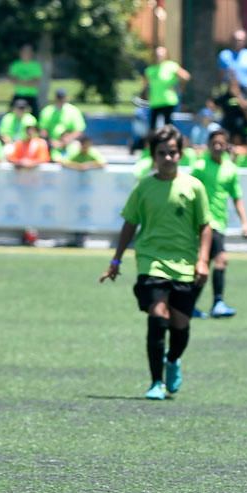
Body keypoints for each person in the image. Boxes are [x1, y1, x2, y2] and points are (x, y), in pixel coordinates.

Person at [99, 125, 212, 400]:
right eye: (162, 153)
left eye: (172, 152)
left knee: (181, 326)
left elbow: (205, 226)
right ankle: (155, 382)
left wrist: (203, 260)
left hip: (185, 264)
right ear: (153, 156)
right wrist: (116, 259)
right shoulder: (144, 187)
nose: (168, 158)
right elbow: (130, 223)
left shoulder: (194, 187)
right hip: (151, 261)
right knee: (158, 314)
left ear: (180, 154)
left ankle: (173, 360)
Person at [190, 128, 247, 319]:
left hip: (220, 223)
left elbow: (236, 197)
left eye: (221, 143)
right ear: (208, 146)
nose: (217, 146)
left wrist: (245, 222)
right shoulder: (200, 167)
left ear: (227, 145)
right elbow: (188, 192)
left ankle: (189, 304)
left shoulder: (230, 169)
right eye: (214, 143)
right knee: (221, 259)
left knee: (203, 266)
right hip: (204, 223)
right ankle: (217, 303)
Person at [143, 46, 191, 131]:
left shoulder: (172, 66)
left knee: (168, 126)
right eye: (158, 54)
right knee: (152, 127)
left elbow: (186, 76)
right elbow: (145, 85)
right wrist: (147, 95)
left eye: (161, 54)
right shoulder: (150, 69)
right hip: (155, 102)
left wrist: (178, 87)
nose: (159, 56)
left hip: (168, 101)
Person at [38, 89, 86, 160]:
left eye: (62, 98)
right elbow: (42, 130)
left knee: (76, 147)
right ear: (55, 98)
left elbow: (79, 131)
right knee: (41, 145)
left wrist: (65, 141)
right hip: (51, 142)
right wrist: (51, 141)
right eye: (59, 98)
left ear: (66, 98)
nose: (61, 100)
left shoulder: (73, 110)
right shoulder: (47, 111)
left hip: (69, 142)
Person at [7, 44, 43, 118]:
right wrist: (28, 82)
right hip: (19, 94)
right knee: (9, 115)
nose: (26, 54)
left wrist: (20, 82)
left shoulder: (35, 66)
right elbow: (12, 79)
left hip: (31, 95)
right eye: (24, 52)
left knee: (36, 116)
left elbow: (36, 81)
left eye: (28, 52)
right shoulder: (16, 65)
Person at [218, 29, 247, 97]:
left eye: (241, 40)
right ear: (232, 40)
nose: (239, 42)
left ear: (245, 41)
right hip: (230, 90)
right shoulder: (224, 54)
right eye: (236, 40)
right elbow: (221, 74)